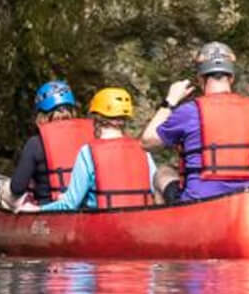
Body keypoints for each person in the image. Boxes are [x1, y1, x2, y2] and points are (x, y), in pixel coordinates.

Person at [142, 41, 249, 202]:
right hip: (245, 201)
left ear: (200, 79)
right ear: (231, 78)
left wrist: (170, 100)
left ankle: (169, 218)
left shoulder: (189, 111)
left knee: (162, 173)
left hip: (199, 201)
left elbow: (147, 142)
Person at [19, 87, 157, 213]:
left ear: (95, 118)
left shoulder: (88, 152)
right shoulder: (143, 150)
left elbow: (69, 204)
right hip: (139, 220)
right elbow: (155, 189)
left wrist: (37, 209)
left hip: (102, 223)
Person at [5, 80, 93, 209]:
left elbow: (17, 188)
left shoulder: (35, 144)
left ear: (41, 115)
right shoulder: (90, 139)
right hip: (84, 208)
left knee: (6, 192)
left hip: (47, 209)